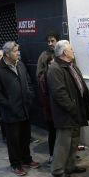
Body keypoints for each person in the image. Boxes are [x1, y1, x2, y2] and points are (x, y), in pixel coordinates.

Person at [0, 41, 40, 176]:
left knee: (25, 137)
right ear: (7, 54)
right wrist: (9, 105)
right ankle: (15, 164)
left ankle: (26, 159)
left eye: (18, 50)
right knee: (13, 140)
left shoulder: (20, 64)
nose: (18, 53)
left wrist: (29, 96)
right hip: (10, 112)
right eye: (16, 51)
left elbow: (28, 81)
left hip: (24, 108)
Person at [47, 40, 89, 177]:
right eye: (71, 49)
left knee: (74, 140)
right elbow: (59, 93)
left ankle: (70, 166)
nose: (73, 51)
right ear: (64, 53)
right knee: (63, 142)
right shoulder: (55, 68)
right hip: (66, 112)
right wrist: (72, 108)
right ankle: (57, 170)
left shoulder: (71, 65)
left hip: (75, 110)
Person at [36, 31, 59, 162]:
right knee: (52, 129)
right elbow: (39, 74)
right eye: (48, 41)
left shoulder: (63, 53)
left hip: (61, 98)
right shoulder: (44, 55)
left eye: (53, 41)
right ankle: (52, 154)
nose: (50, 43)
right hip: (49, 98)